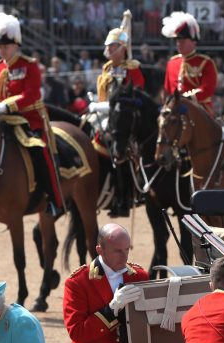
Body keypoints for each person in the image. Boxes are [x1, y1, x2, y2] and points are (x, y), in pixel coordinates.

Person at [0, 12, 65, 217]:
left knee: (40, 150)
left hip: (30, 118)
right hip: (3, 118)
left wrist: (6, 106)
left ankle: (55, 199)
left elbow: (31, 95)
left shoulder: (29, 65)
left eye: (6, 46)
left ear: (16, 45)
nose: (2, 50)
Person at [87, 10, 144, 218]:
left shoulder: (132, 69)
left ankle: (123, 197)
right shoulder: (107, 67)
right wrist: (96, 103)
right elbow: (104, 93)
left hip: (124, 118)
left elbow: (134, 95)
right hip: (103, 114)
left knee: (117, 150)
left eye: (113, 46)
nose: (109, 50)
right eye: (108, 46)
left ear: (122, 49)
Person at [161, 12, 217, 115]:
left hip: (199, 109)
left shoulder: (206, 63)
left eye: (182, 40)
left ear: (193, 42)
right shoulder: (172, 63)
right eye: (177, 40)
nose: (178, 44)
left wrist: (187, 98)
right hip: (174, 109)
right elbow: (167, 90)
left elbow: (207, 89)